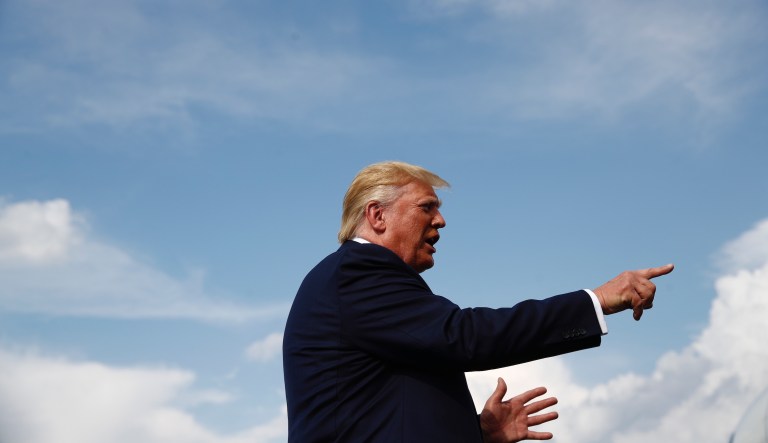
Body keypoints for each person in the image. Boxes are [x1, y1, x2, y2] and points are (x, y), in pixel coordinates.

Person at [283, 161, 674, 442]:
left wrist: (477, 434)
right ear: (378, 215)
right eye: (426, 207)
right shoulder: (358, 272)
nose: (440, 221)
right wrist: (597, 300)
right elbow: (462, 335)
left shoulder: (361, 282)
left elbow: (387, 413)